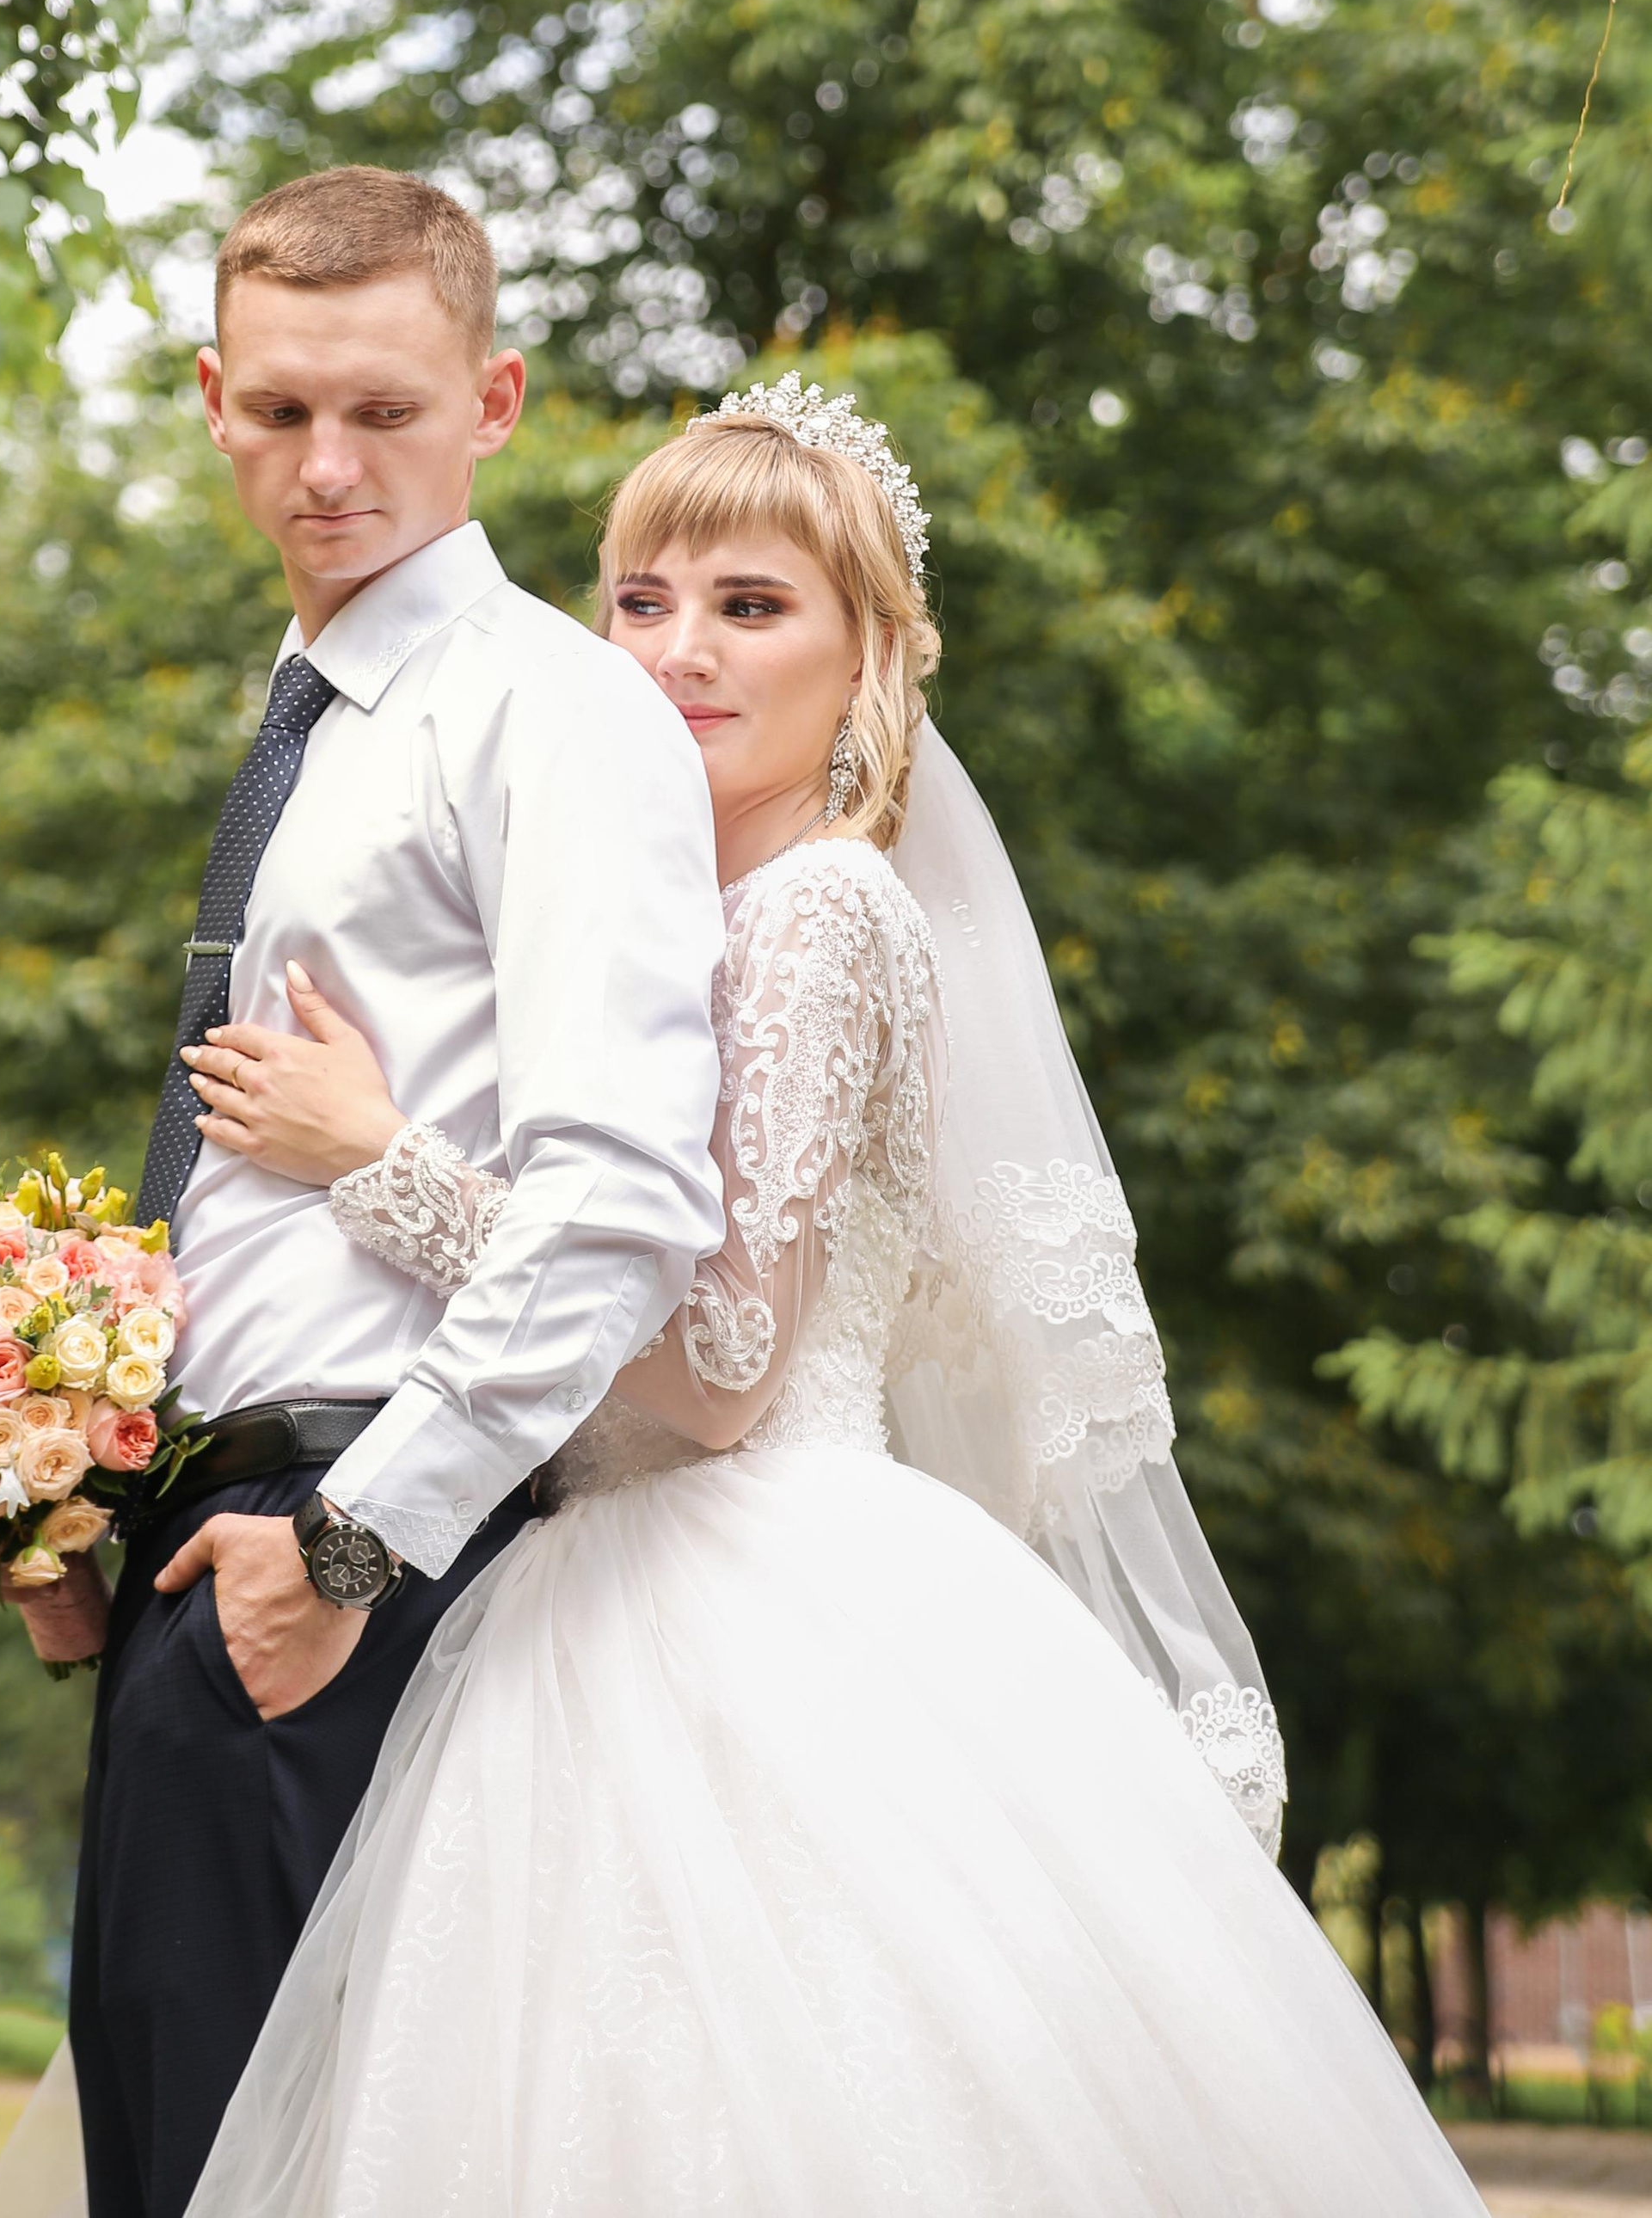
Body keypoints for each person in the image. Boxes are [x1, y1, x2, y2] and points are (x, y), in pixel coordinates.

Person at [170, 378, 1487, 2217]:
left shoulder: (811, 916)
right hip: (584, 1579)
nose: (678, 652)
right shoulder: (633, 914)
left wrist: (375, 1158)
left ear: (866, 656)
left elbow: (716, 1368)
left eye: (750, 606)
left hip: (736, 1590)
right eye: (638, 600)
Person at [0, 167, 728, 2218]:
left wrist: (343, 1547)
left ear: (492, 400)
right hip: (210, 1535)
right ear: (214, 399)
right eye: (283, 410)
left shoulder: (553, 711)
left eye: (383, 411)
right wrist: (69, 1492)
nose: (327, 466)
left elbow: (618, 1191)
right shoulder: (315, 722)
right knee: (177, 2159)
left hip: (359, 1547)